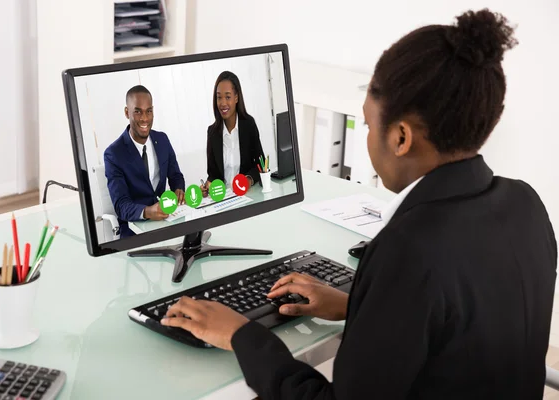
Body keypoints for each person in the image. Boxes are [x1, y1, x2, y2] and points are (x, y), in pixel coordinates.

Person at [160, 9, 558, 399]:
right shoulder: (526, 204)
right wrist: (360, 307)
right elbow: (460, 328)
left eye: (368, 124)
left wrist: (242, 333)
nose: (368, 136)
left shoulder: (408, 251)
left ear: (401, 138)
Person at [104, 85, 185, 238]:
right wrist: (148, 212)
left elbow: (175, 176)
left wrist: (179, 190)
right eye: (138, 111)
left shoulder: (162, 139)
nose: (145, 118)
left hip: (166, 220)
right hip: (135, 229)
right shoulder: (114, 154)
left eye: (149, 111)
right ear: (127, 112)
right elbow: (121, 206)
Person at [201, 71, 265, 196]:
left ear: (236, 97)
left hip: (246, 196)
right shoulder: (212, 132)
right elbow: (213, 175)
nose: (223, 103)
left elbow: (260, 165)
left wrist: (248, 180)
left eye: (228, 97)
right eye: (219, 97)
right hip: (223, 199)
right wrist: (207, 186)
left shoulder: (248, 125)